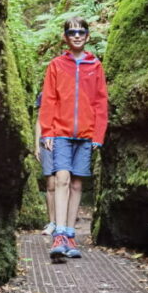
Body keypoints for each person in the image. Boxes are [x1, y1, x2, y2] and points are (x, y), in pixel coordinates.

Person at [39, 17, 108, 261]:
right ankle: (58, 233)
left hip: (87, 134)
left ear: (87, 36)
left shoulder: (95, 65)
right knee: (61, 178)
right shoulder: (57, 65)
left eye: (81, 32)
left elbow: (100, 101)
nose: (77, 36)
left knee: (77, 183)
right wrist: (47, 131)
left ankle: (69, 234)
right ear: (66, 37)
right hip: (60, 132)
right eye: (72, 32)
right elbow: (49, 99)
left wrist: (98, 133)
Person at [34, 94, 56, 236]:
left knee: (64, 182)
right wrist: (36, 145)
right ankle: (52, 222)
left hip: (63, 140)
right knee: (51, 184)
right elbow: (39, 120)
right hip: (46, 142)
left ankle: (62, 223)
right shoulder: (44, 94)